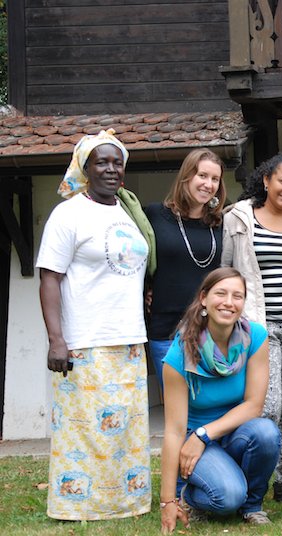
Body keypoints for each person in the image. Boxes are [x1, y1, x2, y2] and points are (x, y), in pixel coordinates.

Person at [37, 129, 151, 520]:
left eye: (117, 162)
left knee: (125, 428)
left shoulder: (128, 211)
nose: (111, 169)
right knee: (82, 429)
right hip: (85, 339)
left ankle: (126, 503)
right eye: (101, 162)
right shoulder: (68, 214)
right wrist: (56, 339)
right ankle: (78, 505)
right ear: (85, 169)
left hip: (130, 337)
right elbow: (49, 277)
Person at [221, 153, 282, 502]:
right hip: (258, 326)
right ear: (266, 180)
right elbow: (226, 269)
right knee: (266, 404)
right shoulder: (239, 218)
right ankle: (257, 477)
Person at [159, 267, 280, 532]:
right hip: (192, 442)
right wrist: (167, 500)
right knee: (227, 497)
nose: (229, 302)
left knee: (267, 432)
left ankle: (252, 506)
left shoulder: (255, 337)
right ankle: (190, 495)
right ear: (203, 298)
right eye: (221, 294)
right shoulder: (180, 352)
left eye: (237, 296)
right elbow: (174, 430)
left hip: (230, 433)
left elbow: (254, 405)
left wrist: (204, 434)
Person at [146, 149, 226, 388]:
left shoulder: (222, 223)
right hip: (165, 331)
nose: (208, 184)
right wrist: (146, 288)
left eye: (215, 179)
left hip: (210, 332)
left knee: (210, 402)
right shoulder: (155, 215)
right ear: (187, 176)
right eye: (202, 175)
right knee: (175, 404)